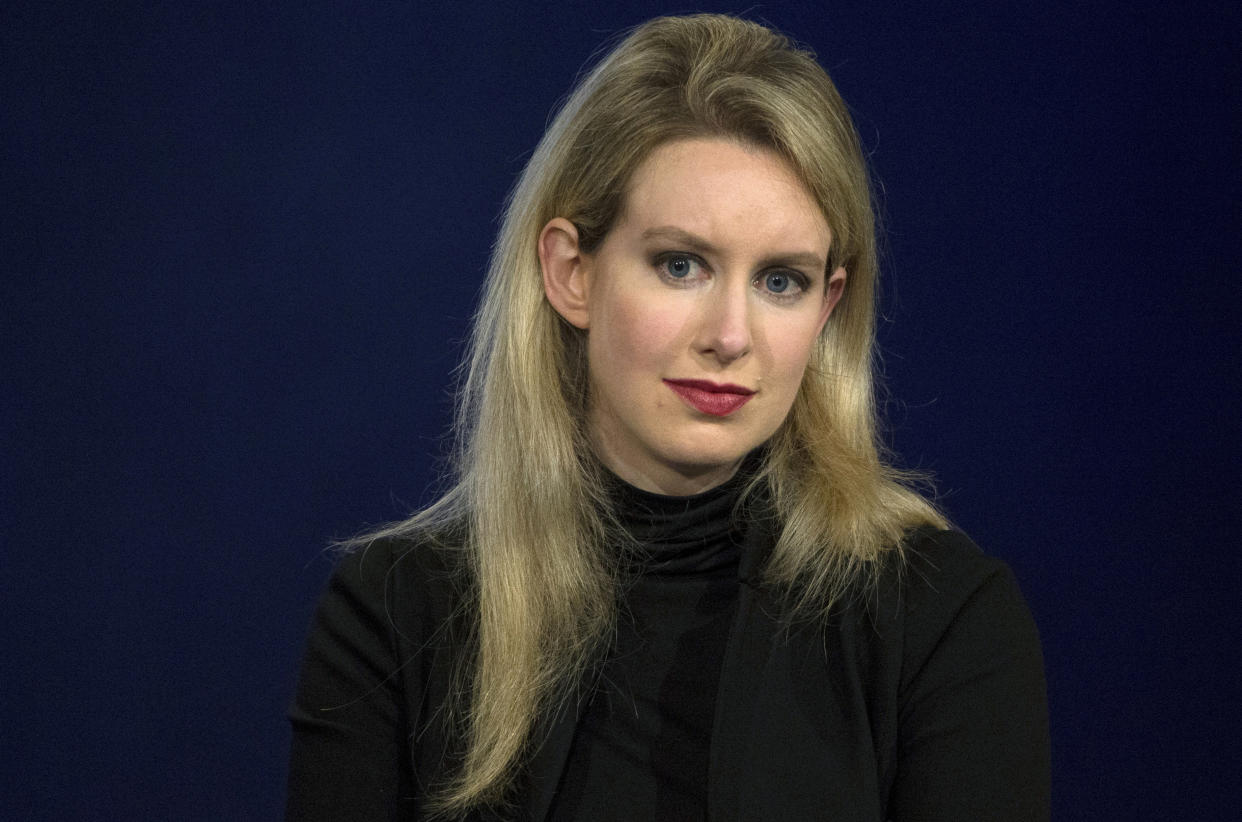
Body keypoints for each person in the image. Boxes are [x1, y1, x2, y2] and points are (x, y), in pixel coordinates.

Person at [286, 14, 1049, 821]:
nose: (729, 336)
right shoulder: (399, 613)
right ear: (571, 272)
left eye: (780, 281)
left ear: (829, 304)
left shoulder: (941, 619)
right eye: (681, 265)